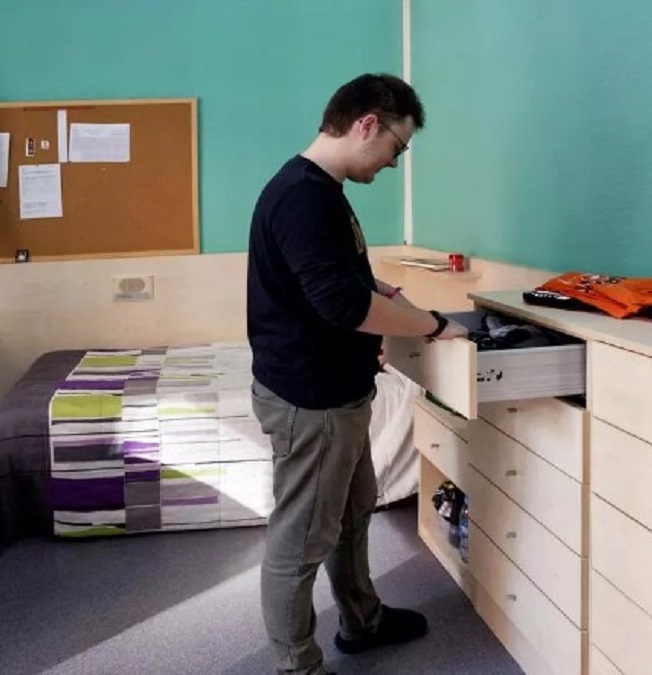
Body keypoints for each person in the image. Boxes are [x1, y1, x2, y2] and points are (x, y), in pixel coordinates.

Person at [247, 73, 468, 675]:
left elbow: (332, 280)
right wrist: (427, 323)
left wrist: (374, 284)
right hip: (310, 398)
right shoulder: (303, 195)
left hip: (337, 392)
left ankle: (363, 621)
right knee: (301, 540)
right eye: (397, 146)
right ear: (367, 123)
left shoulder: (319, 190)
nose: (395, 162)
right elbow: (342, 308)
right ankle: (299, 666)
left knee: (352, 513)